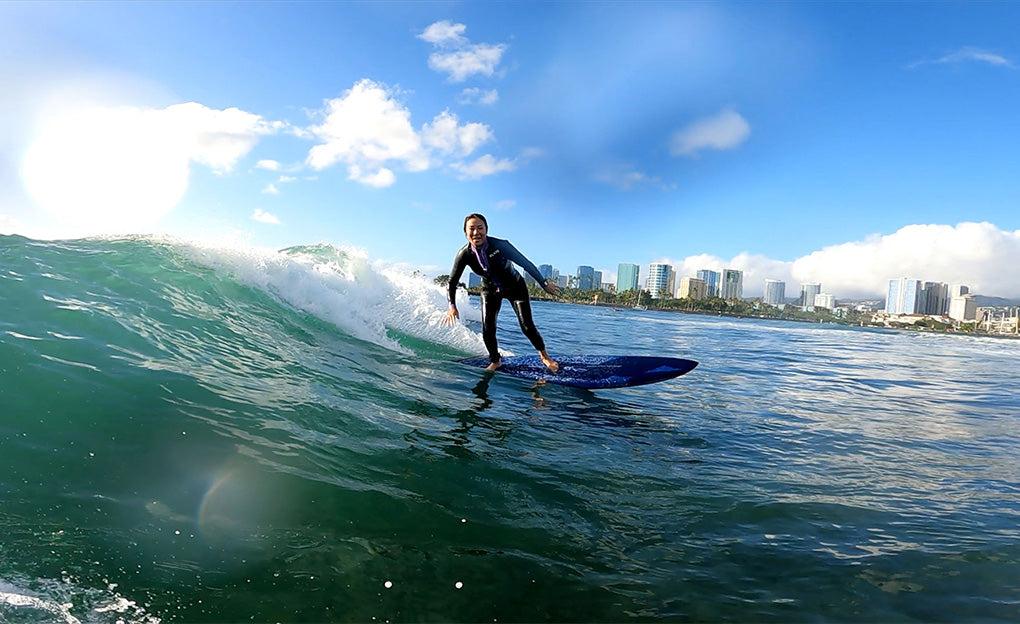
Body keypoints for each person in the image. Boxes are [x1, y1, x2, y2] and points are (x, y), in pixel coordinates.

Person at [443, 213, 561, 372]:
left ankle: (545, 357)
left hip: (515, 286)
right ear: (465, 232)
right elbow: (452, 281)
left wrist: (544, 283)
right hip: (490, 289)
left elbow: (525, 264)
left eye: (480, 228)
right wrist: (452, 306)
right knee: (488, 329)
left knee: (527, 326)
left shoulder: (501, 245)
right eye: (472, 229)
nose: (476, 232)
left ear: (486, 229)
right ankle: (495, 360)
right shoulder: (464, 254)